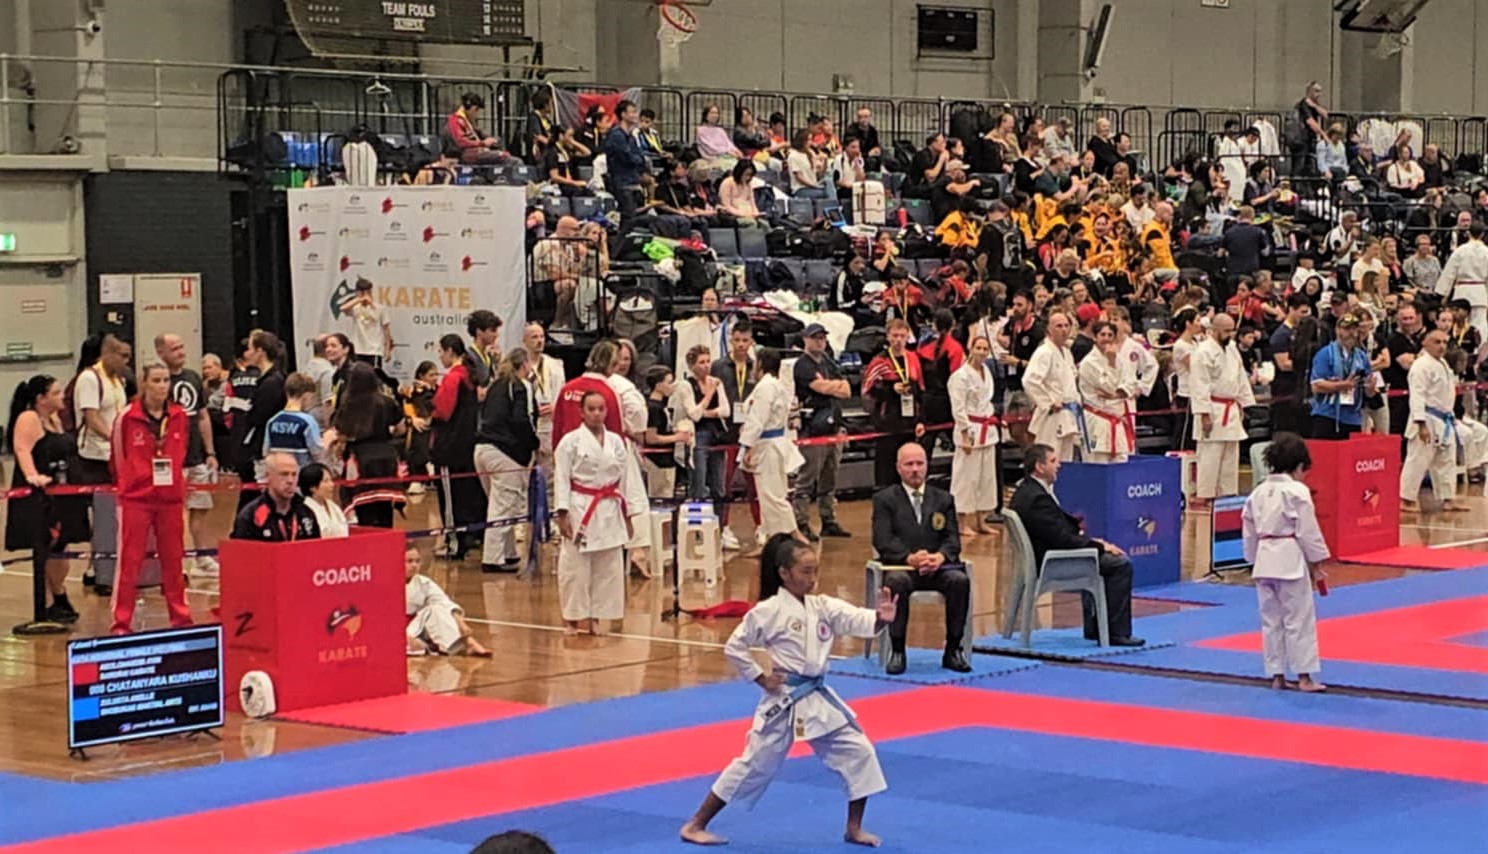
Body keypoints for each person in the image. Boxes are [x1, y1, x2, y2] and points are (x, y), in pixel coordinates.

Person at [679, 535, 896, 848]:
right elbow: (735, 646)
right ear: (784, 573)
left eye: (815, 571)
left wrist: (879, 619)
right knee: (753, 765)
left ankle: (854, 828)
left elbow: (855, 619)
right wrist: (760, 677)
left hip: (818, 700)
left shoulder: (822, 606)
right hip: (784, 700)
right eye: (805, 571)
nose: (812, 578)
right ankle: (696, 823)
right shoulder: (768, 610)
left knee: (859, 751)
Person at [1009, 444, 1143, 646]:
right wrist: (1099, 546)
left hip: (1047, 554)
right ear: (1039, 466)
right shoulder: (1037, 499)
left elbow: (1058, 533)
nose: (1059, 465)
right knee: (1119, 564)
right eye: (1053, 461)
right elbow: (1062, 540)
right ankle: (1115, 632)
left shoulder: (1027, 490)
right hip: (1051, 562)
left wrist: (1091, 542)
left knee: (1100, 556)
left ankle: (1095, 628)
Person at [870, 443, 972, 675]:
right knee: (896, 582)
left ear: (927, 466)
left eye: (920, 464)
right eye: (909, 464)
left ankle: (954, 649)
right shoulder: (884, 500)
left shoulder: (944, 499)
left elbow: (953, 540)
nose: (915, 469)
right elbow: (883, 540)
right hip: (903, 567)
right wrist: (909, 558)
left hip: (938, 569)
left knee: (959, 581)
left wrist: (940, 556)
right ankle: (897, 650)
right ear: (898, 468)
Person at [553, 391, 647, 636]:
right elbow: (561, 478)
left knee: (608, 567)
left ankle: (596, 617)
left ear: (606, 411)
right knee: (575, 567)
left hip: (609, 506)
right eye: (591, 409)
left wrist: (629, 515)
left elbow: (626, 480)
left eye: (600, 409)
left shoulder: (617, 441)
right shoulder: (570, 442)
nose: (596, 413)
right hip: (580, 506)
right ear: (582, 412)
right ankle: (572, 619)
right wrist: (562, 513)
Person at [109, 361, 192, 636]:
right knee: (130, 562)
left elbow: (182, 454)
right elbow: (118, 458)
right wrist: (132, 483)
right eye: (155, 380)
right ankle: (121, 623)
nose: (161, 386)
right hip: (136, 499)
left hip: (170, 499)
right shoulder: (127, 417)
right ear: (144, 383)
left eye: (166, 380)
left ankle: (180, 618)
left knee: (174, 560)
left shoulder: (179, 416)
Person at [1242, 433, 1329, 693]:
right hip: (1289, 557)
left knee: (1271, 620)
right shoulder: (1297, 491)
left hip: (1264, 559)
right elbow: (1308, 531)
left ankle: (1277, 676)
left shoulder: (1256, 493)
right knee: (1298, 619)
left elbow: (1248, 531)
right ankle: (1304, 677)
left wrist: (1252, 559)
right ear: (1299, 466)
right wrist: (1317, 564)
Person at [5, 375, 88, 623]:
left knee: (62, 548)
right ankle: (51, 602)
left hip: (62, 491)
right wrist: (32, 476)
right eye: (55, 393)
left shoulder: (55, 419)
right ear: (41, 399)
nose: (61, 396)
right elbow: (22, 449)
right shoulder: (29, 418)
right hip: (40, 496)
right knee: (46, 547)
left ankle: (58, 596)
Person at [156, 333, 220, 578]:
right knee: (172, 513)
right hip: (171, 459)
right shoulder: (158, 382)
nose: (181, 352)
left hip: (196, 457)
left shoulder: (193, 378)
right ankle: (174, 561)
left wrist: (210, 452)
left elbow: (202, 417)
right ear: (161, 353)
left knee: (200, 507)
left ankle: (202, 558)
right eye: (174, 348)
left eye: (182, 347)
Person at [475, 348, 539, 573]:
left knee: (499, 502)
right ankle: (492, 558)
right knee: (503, 506)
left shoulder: (495, 385)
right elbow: (523, 420)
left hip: (482, 449)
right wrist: (534, 444)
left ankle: (509, 552)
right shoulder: (521, 386)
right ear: (524, 366)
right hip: (506, 453)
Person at [739, 348, 806, 545]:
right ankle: (770, 539)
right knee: (768, 497)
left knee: (773, 495)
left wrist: (748, 446)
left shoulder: (767, 387)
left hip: (768, 445)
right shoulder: (773, 385)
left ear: (760, 364)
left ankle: (793, 534)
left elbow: (758, 420)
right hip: (770, 444)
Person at [792, 323, 852, 540]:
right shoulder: (802, 365)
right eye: (815, 337)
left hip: (834, 426)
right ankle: (801, 521)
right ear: (806, 339)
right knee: (807, 477)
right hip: (813, 429)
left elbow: (846, 390)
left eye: (822, 337)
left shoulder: (828, 361)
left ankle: (828, 519)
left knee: (830, 477)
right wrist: (831, 386)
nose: (819, 341)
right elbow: (819, 388)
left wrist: (830, 385)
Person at [1189, 314, 1256, 509]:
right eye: (1226, 331)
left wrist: (1244, 403)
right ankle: (1206, 497)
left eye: (1232, 330)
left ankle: (1228, 498)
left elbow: (1240, 377)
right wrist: (1203, 414)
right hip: (1212, 408)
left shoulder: (1232, 349)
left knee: (1230, 459)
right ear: (1215, 329)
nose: (1230, 334)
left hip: (1230, 408)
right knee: (1210, 457)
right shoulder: (1202, 352)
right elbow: (1199, 384)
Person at [1400, 330, 1469, 514]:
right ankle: (1406, 499)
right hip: (1426, 418)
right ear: (1425, 343)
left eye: (1444, 342)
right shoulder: (1420, 366)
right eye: (1436, 342)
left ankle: (1448, 499)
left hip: (1443, 419)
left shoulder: (1443, 364)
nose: (1442, 346)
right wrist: (1420, 423)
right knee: (1418, 460)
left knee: (1446, 460)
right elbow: (1417, 396)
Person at [332, 363, 406, 528]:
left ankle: (370, 547)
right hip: (386, 459)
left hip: (360, 460)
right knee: (385, 508)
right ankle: (386, 545)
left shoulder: (347, 404)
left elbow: (342, 434)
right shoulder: (386, 402)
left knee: (364, 510)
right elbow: (401, 429)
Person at [713, 319, 765, 551]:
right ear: (730, 341)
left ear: (751, 341)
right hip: (727, 434)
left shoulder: (757, 367)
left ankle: (761, 526)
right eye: (737, 340)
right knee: (724, 485)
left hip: (751, 433)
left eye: (745, 340)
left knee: (755, 485)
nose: (741, 345)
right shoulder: (718, 366)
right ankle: (722, 528)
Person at [430, 334, 483, 559]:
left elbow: (442, 411)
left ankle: (454, 543)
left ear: (450, 351)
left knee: (451, 498)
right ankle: (469, 537)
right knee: (466, 494)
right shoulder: (471, 376)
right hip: (467, 446)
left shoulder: (454, 377)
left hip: (449, 449)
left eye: (441, 352)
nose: (440, 357)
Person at [862, 319, 926, 487]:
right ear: (888, 337)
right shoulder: (879, 361)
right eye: (895, 336)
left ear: (907, 337)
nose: (898, 340)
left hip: (909, 423)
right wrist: (890, 389)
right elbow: (867, 391)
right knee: (886, 472)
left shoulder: (913, 358)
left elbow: (920, 391)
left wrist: (921, 420)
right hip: (887, 426)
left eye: (902, 336)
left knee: (908, 467)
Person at [948, 335, 1000, 535]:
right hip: (969, 429)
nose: (982, 352)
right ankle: (961, 522)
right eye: (978, 348)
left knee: (986, 478)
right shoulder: (960, 376)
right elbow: (958, 408)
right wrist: (964, 433)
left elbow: (987, 402)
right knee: (965, 478)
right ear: (971, 349)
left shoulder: (987, 371)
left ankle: (981, 519)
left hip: (987, 430)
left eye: (985, 349)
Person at [404, 546, 492, 657]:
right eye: (409, 561)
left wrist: (462, 625)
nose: (414, 565)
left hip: (418, 628)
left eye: (417, 561)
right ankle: (462, 644)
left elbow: (444, 603)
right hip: (398, 630)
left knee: (436, 609)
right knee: (431, 613)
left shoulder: (423, 582)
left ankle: (469, 642)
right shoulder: (387, 582)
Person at [1024, 310, 1083, 461]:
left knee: (1065, 462)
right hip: (1052, 415)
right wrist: (1049, 402)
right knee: (1049, 460)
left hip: (1069, 414)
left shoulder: (1067, 352)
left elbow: (1072, 383)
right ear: (1049, 329)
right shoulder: (1044, 352)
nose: (1063, 329)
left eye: (1066, 325)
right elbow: (1030, 380)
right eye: (1058, 326)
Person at [1309, 311, 1375, 439]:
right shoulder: (1325, 354)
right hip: (1327, 415)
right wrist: (1343, 385)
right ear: (1338, 330)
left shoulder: (1361, 356)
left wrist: (1370, 388)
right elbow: (1316, 385)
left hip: (1353, 417)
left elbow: (1368, 391)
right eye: (1346, 328)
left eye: (1354, 329)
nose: (1351, 333)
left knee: (1350, 457)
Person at [1079, 321, 1137, 464]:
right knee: (1096, 464)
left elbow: (1131, 383)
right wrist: (1111, 364)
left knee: (1121, 464)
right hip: (1096, 419)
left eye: (1110, 335)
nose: (1106, 338)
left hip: (1118, 420)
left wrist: (1116, 395)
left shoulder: (1121, 360)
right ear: (1094, 337)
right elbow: (1108, 387)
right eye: (1102, 334)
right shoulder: (1088, 362)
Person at [231, 452, 322, 541]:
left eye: (294, 475)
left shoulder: (305, 512)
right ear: (268, 476)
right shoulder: (251, 516)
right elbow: (240, 553)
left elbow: (316, 551)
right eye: (284, 474)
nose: (290, 481)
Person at [523, 322, 566, 479]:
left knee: (549, 476)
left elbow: (563, 393)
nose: (539, 340)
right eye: (534, 337)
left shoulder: (555, 365)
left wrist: (556, 407)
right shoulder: (519, 365)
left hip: (549, 425)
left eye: (542, 336)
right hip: (528, 426)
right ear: (524, 341)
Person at [1435, 219, 1488, 343]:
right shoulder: (1487, 252)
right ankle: (1477, 351)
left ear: (1468, 233)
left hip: (1462, 290)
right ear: (1483, 234)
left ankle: (1459, 347)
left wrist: (1443, 294)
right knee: (1480, 325)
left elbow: (1449, 273)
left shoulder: (1460, 251)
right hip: (1479, 293)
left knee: (1459, 323)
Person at [642, 366, 689, 499]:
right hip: (658, 462)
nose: (672, 386)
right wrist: (677, 437)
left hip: (666, 460)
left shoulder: (661, 406)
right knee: (661, 499)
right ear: (658, 385)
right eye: (669, 382)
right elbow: (651, 438)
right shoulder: (654, 408)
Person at [262, 372, 325, 469]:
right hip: (303, 474)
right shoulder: (307, 421)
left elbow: (266, 452)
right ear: (306, 396)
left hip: (280, 473)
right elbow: (318, 454)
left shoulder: (272, 421)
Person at [339, 277, 394, 369]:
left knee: (374, 377)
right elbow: (342, 308)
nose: (366, 295)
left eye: (369, 292)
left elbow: (386, 330)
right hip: (357, 349)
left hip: (374, 350)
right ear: (357, 292)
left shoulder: (380, 308)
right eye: (363, 292)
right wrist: (359, 299)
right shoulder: (355, 307)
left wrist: (387, 349)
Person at [299, 462, 348, 538]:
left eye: (331, 480)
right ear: (313, 487)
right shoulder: (304, 510)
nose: (332, 484)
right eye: (326, 481)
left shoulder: (333, 506)